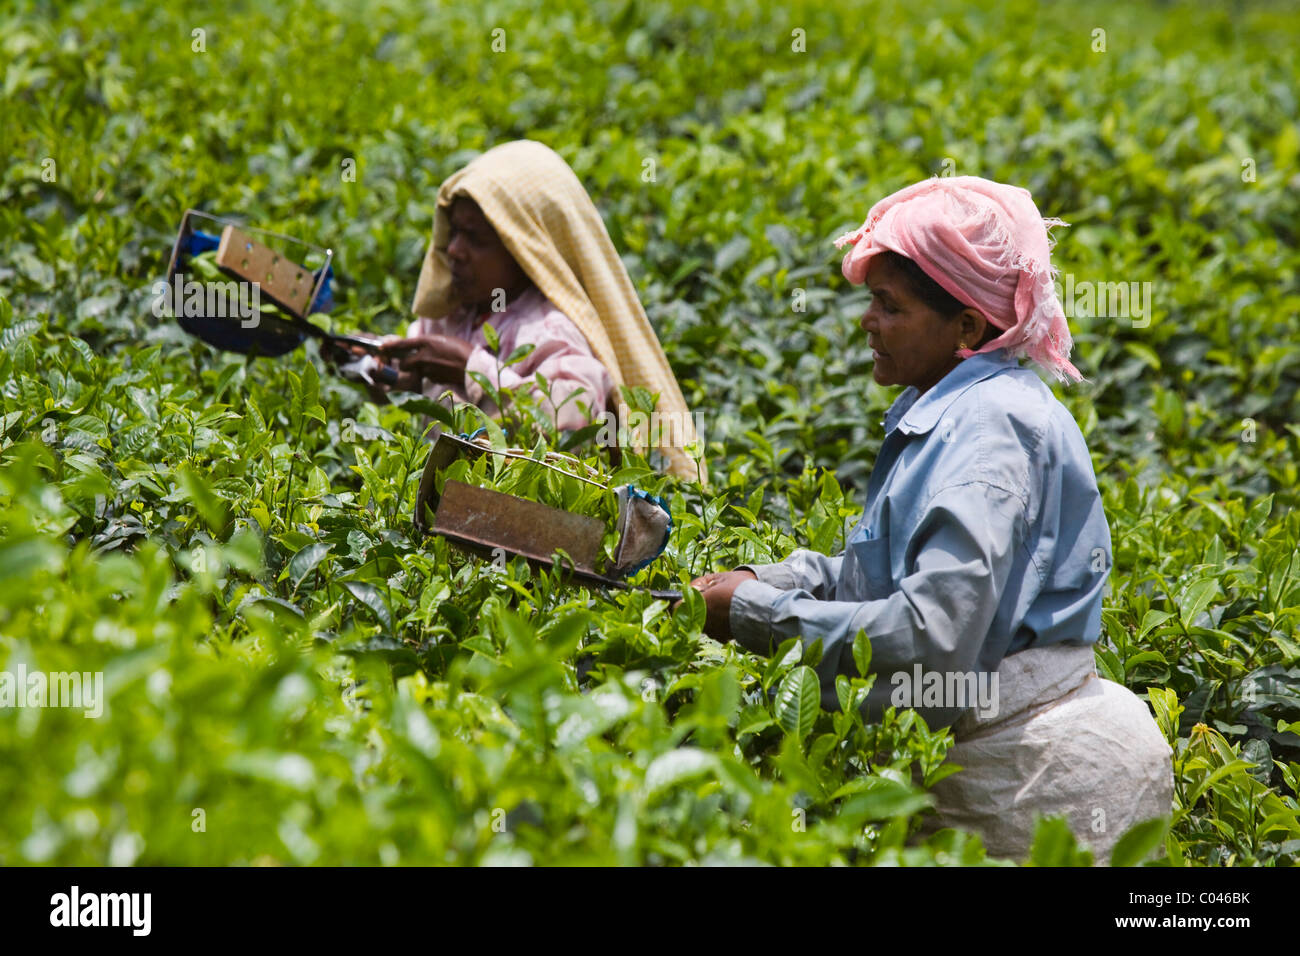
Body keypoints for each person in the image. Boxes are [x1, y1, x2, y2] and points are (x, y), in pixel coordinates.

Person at [686, 176, 1173, 862]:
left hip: (1035, 784)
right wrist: (763, 579)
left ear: (967, 327)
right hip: (1016, 756)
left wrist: (755, 617)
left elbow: (932, 632)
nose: (868, 322)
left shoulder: (990, 433)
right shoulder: (963, 411)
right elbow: (885, 574)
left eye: (890, 305)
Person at [370, 140, 704, 481]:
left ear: (525, 249)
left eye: (474, 238)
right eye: (454, 232)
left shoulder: (550, 329)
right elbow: (414, 365)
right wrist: (375, 361)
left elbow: (573, 420)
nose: (454, 250)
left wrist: (472, 370)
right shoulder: (455, 313)